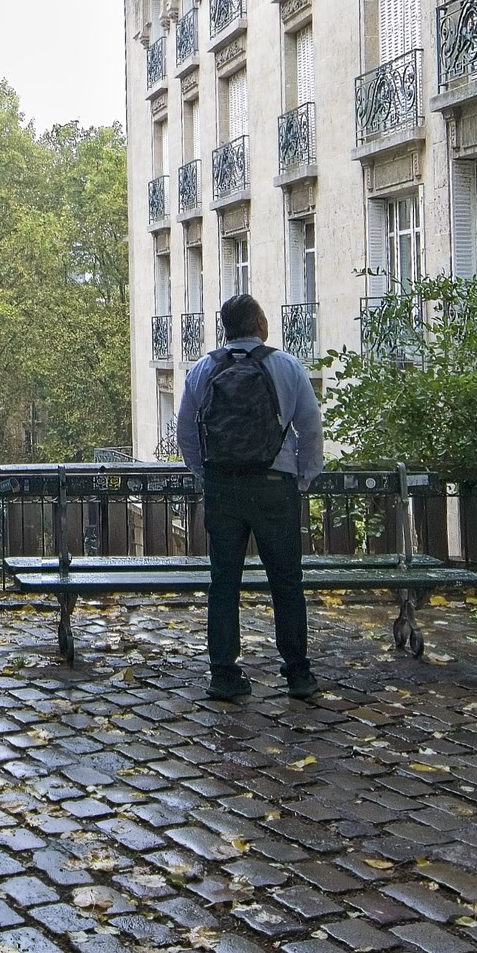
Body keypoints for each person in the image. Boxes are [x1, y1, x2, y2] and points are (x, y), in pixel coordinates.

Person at [175, 291, 326, 703]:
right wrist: (302, 479)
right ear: (261, 325)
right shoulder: (286, 366)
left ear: (226, 329)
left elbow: (186, 432)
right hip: (274, 486)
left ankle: (224, 673)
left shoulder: (203, 369)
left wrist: (207, 474)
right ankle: (297, 673)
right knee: (286, 581)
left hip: (224, 487)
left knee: (224, 580)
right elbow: (310, 430)